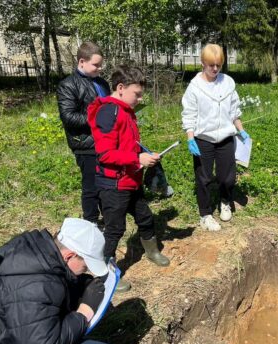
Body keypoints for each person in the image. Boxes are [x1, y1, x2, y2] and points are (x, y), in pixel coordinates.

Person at [0, 218, 116, 344]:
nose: (85, 270)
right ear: (69, 256)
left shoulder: (31, 253)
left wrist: (79, 284)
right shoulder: (34, 286)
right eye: (85, 266)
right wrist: (84, 313)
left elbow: (51, 282)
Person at [88, 65, 170, 290]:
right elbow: (105, 154)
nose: (141, 98)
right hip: (114, 184)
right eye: (138, 94)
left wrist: (144, 155)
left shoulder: (125, 111)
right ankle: (104, 271)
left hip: (131, 181)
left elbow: (128, 145)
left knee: (145, 217)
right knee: (114, 229)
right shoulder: (108, 112)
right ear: (121, 88)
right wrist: (137, 160)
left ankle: (152, 251)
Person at [181, 43, 250, 232]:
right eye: (211, 65)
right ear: (203, 63)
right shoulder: (195, 87)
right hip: (203, 139)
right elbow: (189, 114)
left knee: (227, 177)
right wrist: (190, 138)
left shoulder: (227, 82)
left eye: (218, 65)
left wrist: (240, 130)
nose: (215, 69)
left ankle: (225, 201)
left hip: (226, 137)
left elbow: (234, 110)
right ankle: (205, 214)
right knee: (203, 178)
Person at [57, 42, 111, 224]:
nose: (100, 68)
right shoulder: (68, 85)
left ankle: (109, 217)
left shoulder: (102, 83)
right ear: (82, 61)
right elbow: (69, 117)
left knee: (106, 183)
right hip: (86, 144)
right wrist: (99, 119)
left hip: (106, 141)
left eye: (100, 64)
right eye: (96, 65)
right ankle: (91, 223)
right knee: (91, 187)